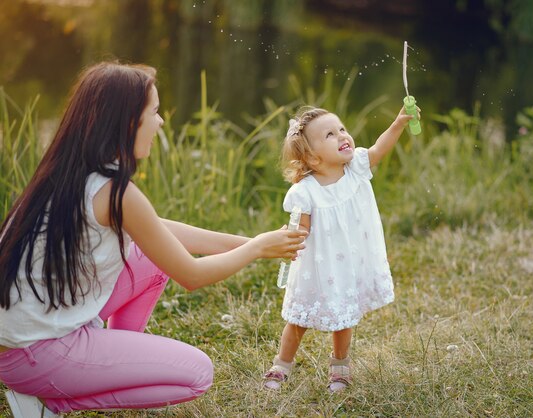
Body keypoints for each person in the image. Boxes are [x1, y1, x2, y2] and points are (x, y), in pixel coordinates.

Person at [0, 61, 307, 417]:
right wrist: (256, 249)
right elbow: (191, 276)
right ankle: (55, 401)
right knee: (196, 374)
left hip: (23, 338)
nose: (160, 122)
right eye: (155, 112)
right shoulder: (116, 192)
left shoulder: (71, 170)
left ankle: (108, 358)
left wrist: (250, 241)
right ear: (128, 122)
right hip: (36, 355)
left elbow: (161, 231)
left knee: (150, 258)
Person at [262, 104, 419, 392]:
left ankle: (340, 366)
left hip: (348, 262)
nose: (342, 136)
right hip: (317, 266)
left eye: (342, 129)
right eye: (330, 135)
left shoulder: (356, 168)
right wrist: (290, 237)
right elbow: (302, 228)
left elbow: (378, 150)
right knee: (299, 318)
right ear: (311, 156)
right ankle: (282, 364)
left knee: (343, 316)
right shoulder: (304, 191)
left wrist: (397, 124)